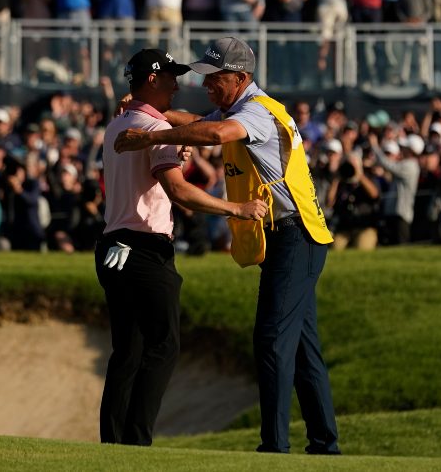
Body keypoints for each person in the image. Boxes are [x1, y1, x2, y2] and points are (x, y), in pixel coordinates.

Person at [114, 37, 340, 455]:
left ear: (240, 78)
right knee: (304, 349)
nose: (206, 85)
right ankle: (324, 444)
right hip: (292, 235)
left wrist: (148, 136)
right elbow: (199, 119)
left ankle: (274, 448)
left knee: (272, 339)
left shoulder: (253, 112)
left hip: (295, 235)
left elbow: (215, 132)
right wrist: (149, 110)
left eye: (214, 78)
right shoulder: (240, 106)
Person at [97, 48, 267, 446]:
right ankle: (137, 443)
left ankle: (114, 443)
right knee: (164, 345)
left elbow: (200, 130)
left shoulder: (118, 124)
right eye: (171, 77)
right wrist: (236, 208)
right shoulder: (152, 130)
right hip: (144, 249)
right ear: (153, 80)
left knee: (127, 351)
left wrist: (173, 142)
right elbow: (179, 192)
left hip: (110, 248)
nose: (178, 84)